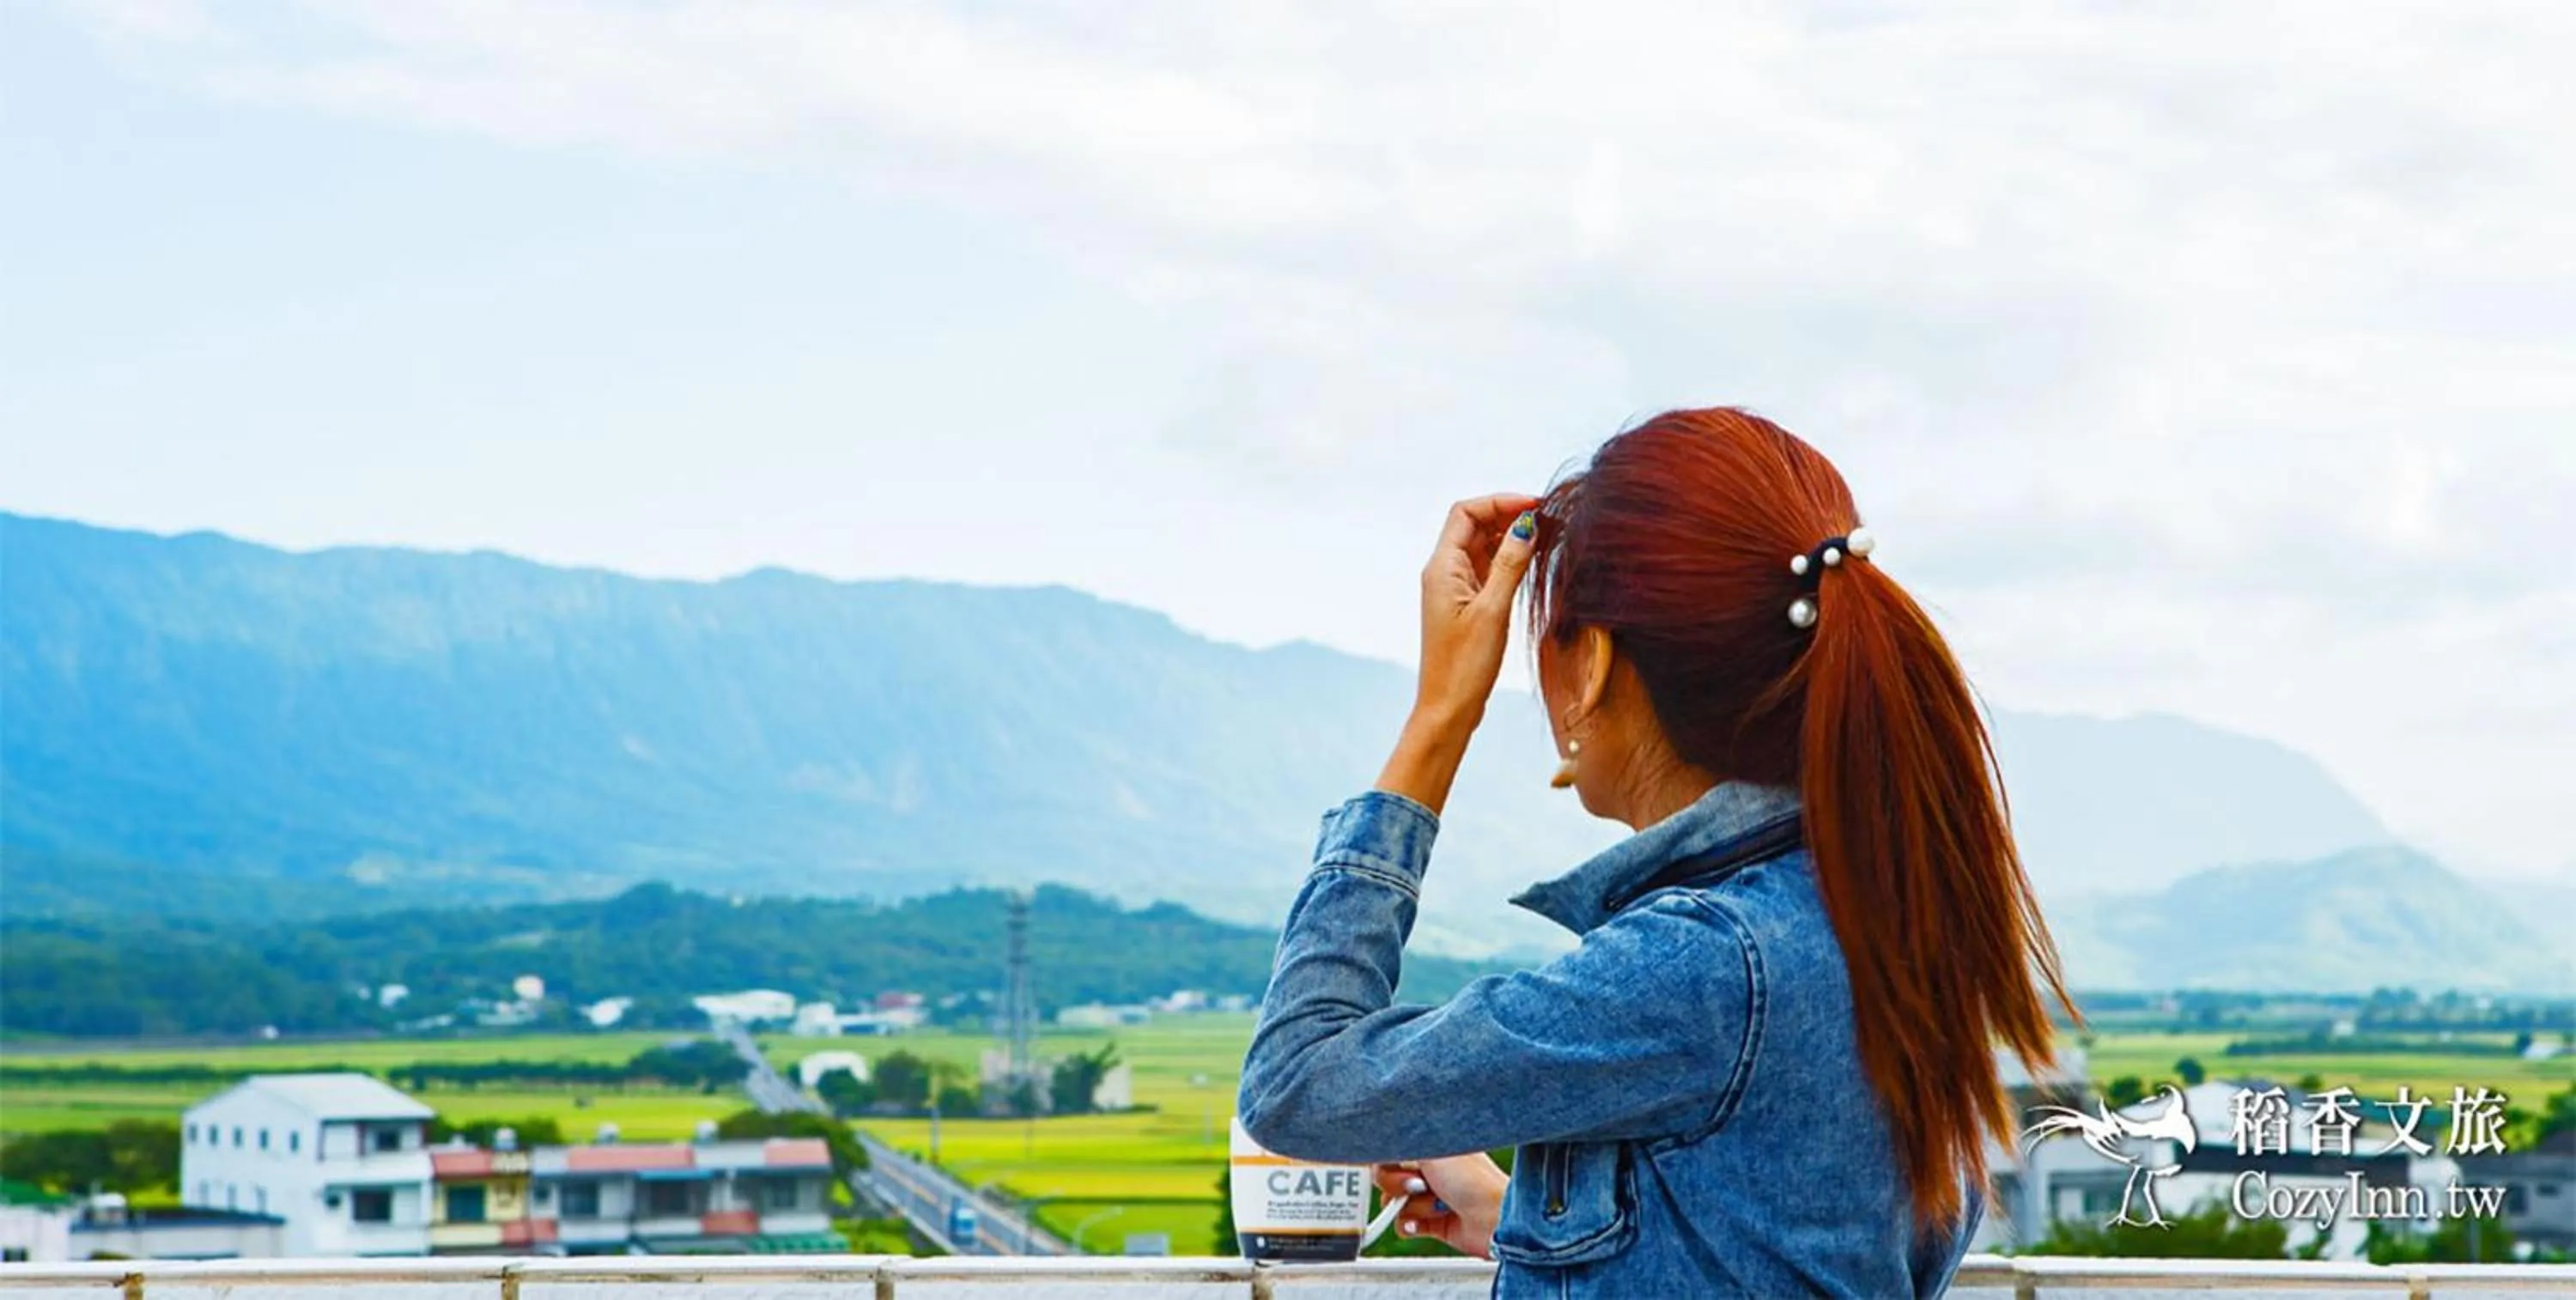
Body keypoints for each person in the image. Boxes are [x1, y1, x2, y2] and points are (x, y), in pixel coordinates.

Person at [1236, 408, 2075, 1297]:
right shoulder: (1879, 916)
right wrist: (1527, 1218)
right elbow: (1786, 1243)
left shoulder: (1696, 961)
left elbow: (1297, 1082)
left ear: (1593, 662)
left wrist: (1440, 716)